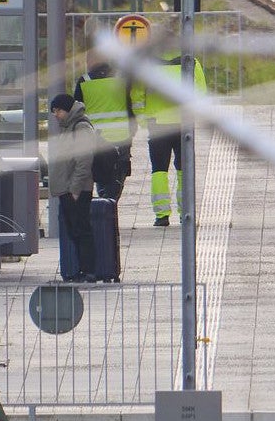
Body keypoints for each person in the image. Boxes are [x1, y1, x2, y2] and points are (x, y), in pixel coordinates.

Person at [132, 52, 210, 228]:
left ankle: (162, 215)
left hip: (157, 124)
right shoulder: (190, 61)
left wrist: (143, 120)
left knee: (159, 170)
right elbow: (201, 92)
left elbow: (137, 95)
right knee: (184, 169)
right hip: (183, 124)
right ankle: (186, 213)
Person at [49, 93, 99, 282]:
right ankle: (80, 270)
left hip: (76, 190)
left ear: (67, 109)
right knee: (73, 231)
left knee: (81, 230)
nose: (55, 114)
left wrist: (75, 189)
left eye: (58, 110)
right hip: (67, 189)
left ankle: (88, 271)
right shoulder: (67, 127)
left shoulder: (81, 128)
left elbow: (84, 161)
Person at [74, 62, 135, 197]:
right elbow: (131, 104)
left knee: (100, 172)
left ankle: (104, 200)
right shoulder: (123, 79)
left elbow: (77, 111)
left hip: (96, 138)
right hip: (121, 136)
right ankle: (109, 203)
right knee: (118, 173)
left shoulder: (84, 81)